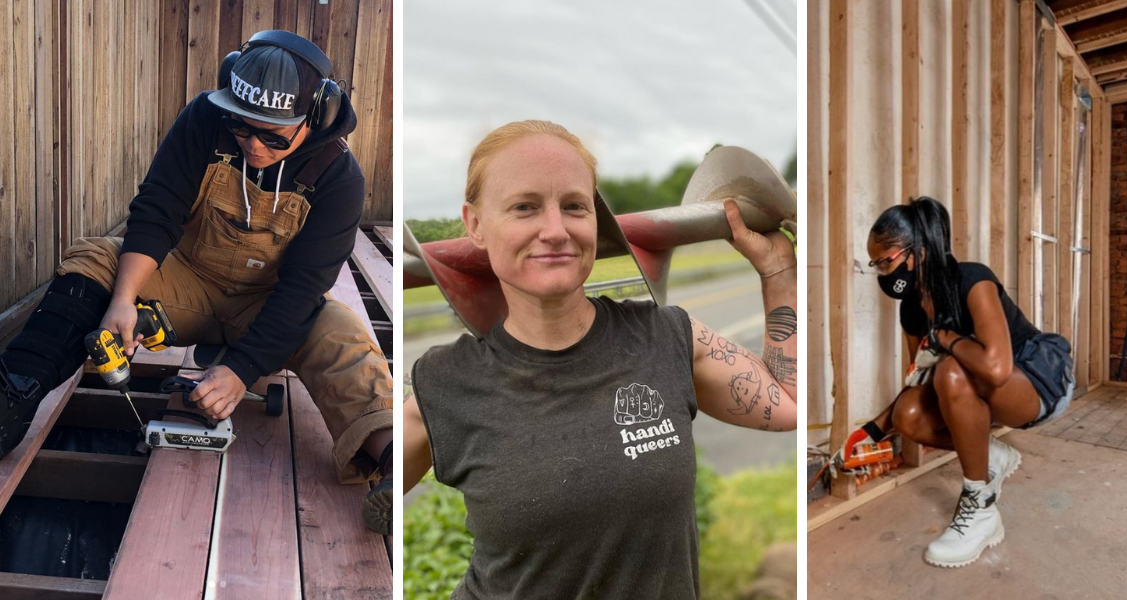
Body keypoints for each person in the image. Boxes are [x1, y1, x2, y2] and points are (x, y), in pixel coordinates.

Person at [0, 31, 394, 535]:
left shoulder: (340, 177)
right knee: (96, 259)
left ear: (315, 118)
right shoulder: (204, 121)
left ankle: (388, 463)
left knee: (344, 337)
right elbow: (157, 211)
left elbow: (300, 292)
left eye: (273, 137)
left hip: (268, 304)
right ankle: (13, 394)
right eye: (241, 127)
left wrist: (240, 370)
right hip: (185, 277)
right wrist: (122, 300)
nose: (253, 144)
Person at [402, 120, 798, 599]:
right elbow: (353, 498)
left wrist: (777, 269)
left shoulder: (665, 336)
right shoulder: (444, 384)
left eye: (574, 206)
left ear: (596, 220)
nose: (556, 230)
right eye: (525, 207)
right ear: (475, 224)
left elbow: (787, 403)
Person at [843, 196, 1075, 568]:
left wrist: (946, 339)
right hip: (988, 389)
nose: (883, 274)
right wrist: (871, 430)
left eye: (886, 262)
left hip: (1038, 380)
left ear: (917, 253)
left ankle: (980, 510)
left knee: (952, 369)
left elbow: (997, 369)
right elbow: (918, 379)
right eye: (876, 265)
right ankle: (991, 456)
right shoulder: (912, 309)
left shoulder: (971, 279)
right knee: (908, 412)